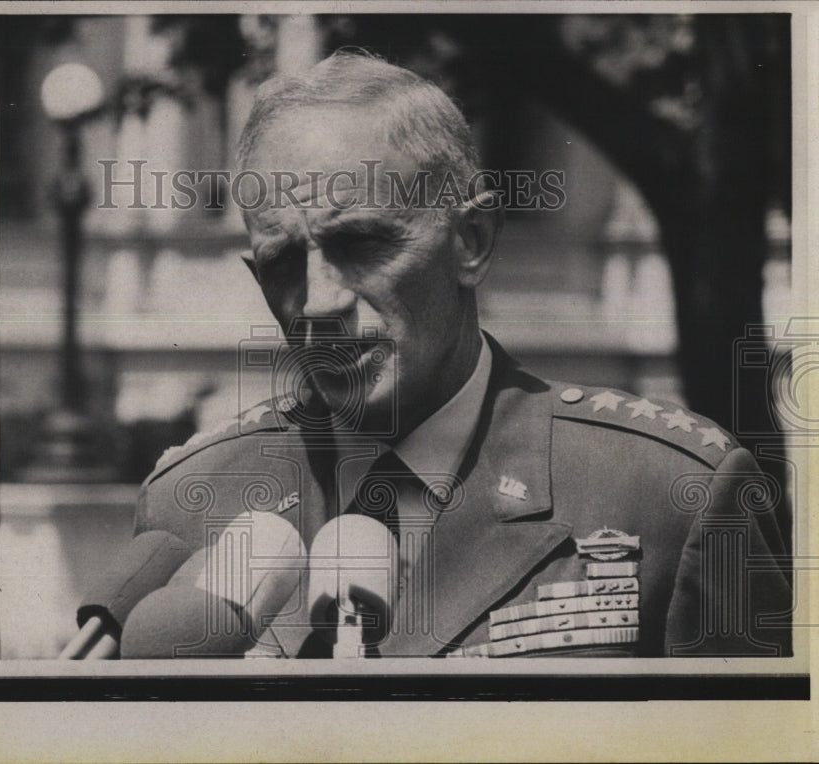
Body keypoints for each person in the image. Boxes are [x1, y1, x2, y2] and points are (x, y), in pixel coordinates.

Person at [127, 51, 791, 658]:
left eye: (361, 244)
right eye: (282, 264)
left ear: (471, 240)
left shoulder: (666, 494)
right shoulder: (192, 503)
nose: (319, 304)